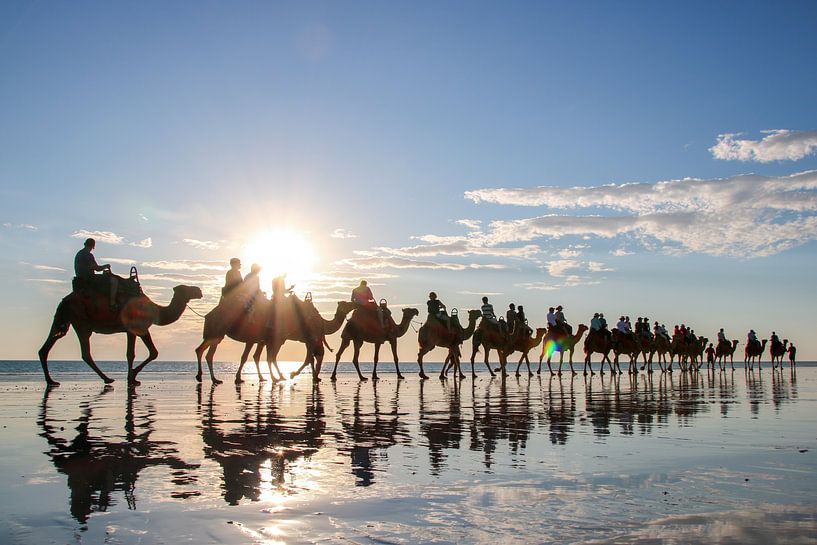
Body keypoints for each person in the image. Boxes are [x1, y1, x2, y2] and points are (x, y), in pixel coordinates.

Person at [74, 238, 117, 310]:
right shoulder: (88, 255)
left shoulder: (79, 253)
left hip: (80, 278)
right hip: (89, 278)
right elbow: (97, 269)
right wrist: (106, 266)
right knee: (114, 281)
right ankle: (112, 304)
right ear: (92, 246)